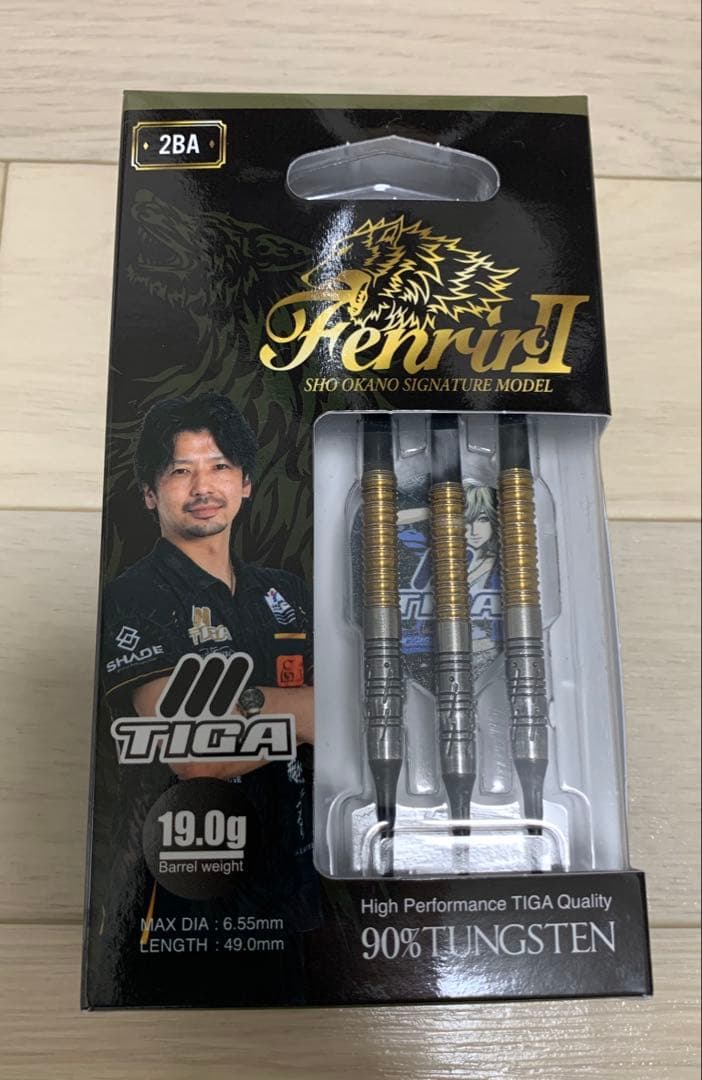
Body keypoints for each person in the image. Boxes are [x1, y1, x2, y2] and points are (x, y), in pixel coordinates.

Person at [96, 391, 318, 1005]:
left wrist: (271, 710)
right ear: (150, 493)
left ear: (245, 483)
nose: (203, 486)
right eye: (179, 470)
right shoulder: (133, 596)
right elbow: (194, 751)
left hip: (295, 886)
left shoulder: (285, 593)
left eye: (219, 466)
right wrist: (310, 710)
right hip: (185, 900)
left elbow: (351, 714)